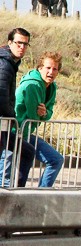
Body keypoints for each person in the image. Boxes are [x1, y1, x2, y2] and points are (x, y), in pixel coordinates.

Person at [13, 51, 64, 187]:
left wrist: (44, 113)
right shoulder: (33, 84)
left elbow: (48, 112)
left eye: (55, 69)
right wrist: (42, 114)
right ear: (40, 68)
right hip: (14, 131)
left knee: (56, 160)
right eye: (48, 68)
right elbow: (33, 116)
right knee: (11, 171)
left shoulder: (52, 87)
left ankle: (42, 192)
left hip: (26, 132)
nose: (51, 72)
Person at [0, 28, 36, 188]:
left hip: (5, 122)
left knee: (27, 152)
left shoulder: (10, 62)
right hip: (3, 120)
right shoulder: (5, 64)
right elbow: (1, 96)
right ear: (10, 43)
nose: (22, 47)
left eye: (25, 44)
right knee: (24, 153)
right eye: (18, 43)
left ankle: (16, 192)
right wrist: (12, 116)